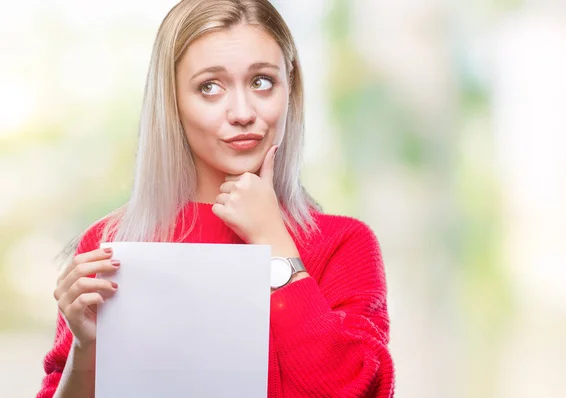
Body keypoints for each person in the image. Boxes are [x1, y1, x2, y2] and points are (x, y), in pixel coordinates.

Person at [37, 0, 395, 397]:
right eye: (210, 87)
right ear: (171, 101)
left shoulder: (343, 245)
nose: (242, 112)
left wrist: (274, 243)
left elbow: (354, 389)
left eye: (262, 81)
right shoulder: (113, 244)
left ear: (289, 90)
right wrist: (87, 349)